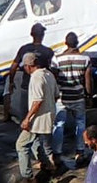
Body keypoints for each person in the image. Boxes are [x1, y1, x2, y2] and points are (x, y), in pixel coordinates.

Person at [17, 52, 60, 181]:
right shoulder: (49, 74)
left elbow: (37, 101)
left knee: (21, 145)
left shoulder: (36, 77)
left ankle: (28, 177)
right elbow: (56, 95)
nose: (24, 69)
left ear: (29, 66)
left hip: (37, 119)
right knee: (36, 143)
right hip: (49, 115)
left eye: (24, 66)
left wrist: (27, 118)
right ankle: (48, 164)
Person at [53, 31, 94, 163]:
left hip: (61, 97)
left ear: (65, 43)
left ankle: (57, 154)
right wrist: (89, 96)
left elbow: (54, 79)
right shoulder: (85, 59)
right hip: (78, 97)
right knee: (80, 123)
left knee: (59, 125)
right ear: (77, 43)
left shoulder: (57, 59)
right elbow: (88, 81)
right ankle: (80, 151)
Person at [5, 23, 52, 121]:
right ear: (43, 35)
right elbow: (51, 70)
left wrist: (11, 82)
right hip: (41, 87)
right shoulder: (48, 51)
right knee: (40, 115)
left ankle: (24, 130)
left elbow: (13, 67)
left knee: (25, 114)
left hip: (26, 86)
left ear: (31, 34)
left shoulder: (24, 49)